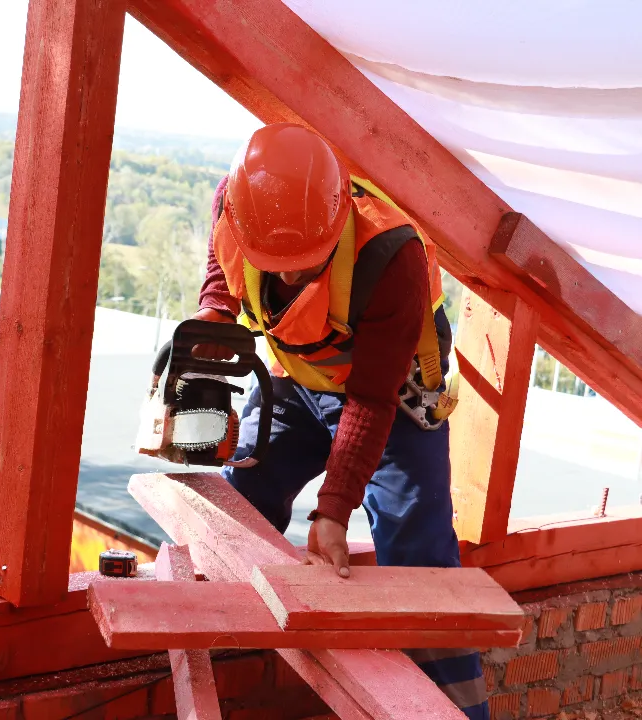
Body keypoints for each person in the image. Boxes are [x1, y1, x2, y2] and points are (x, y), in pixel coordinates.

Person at [192, 122, 488, 719]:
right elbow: (225, 272)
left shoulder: (390, 255)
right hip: (295, 378)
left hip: (390, 396)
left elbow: (370, 401)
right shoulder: (236, 206)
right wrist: (215, 314)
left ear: (335, 224)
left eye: (305, 263)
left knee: (418, 551)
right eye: (278, 264)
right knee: (243, 496)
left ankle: (453, 710)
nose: (292, 276)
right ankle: (232, 644)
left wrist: (333, 511)